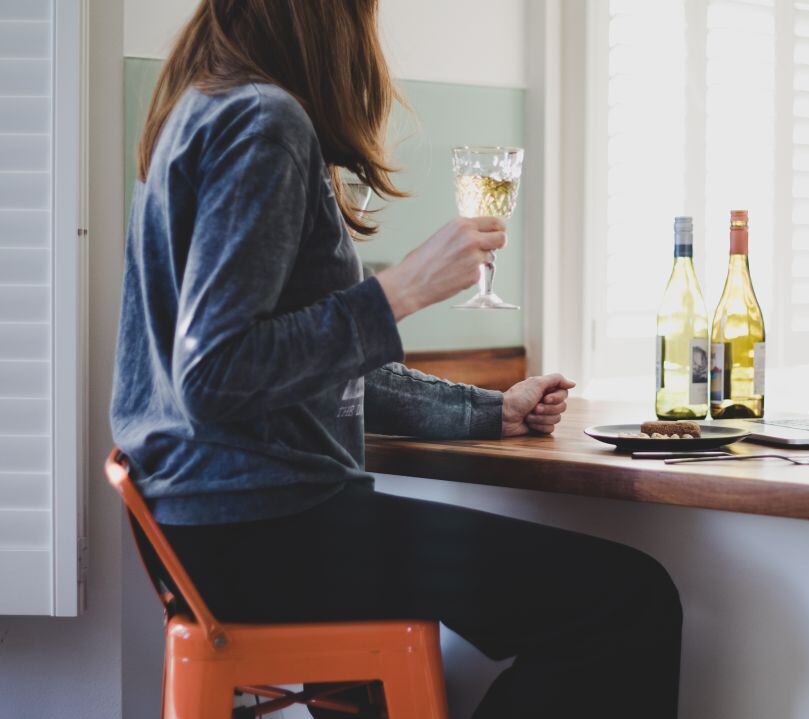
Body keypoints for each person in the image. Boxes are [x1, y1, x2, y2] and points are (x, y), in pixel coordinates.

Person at [110, 2, 682, 717]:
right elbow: (216, 372)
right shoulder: (265, 121)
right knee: (627, 603)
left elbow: (297, 370)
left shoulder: (199, 108)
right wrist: (399, 289)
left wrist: (487, 409)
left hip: (208, 537)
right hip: (272, 528)